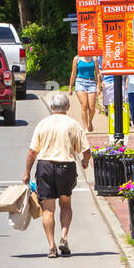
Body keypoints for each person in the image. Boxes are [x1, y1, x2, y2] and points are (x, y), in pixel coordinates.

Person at [22, 91, 92, 259]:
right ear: (68, 107)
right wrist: (85, 162)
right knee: (65, 204)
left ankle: (51, 245)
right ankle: (64, 237)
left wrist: (26, 173)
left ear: (52, 107)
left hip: (45, 166)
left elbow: (32, 152)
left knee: (48, 209)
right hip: (66, 166)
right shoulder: (73, 124)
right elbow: (86, 150)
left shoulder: (43, 124)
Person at [68, 53, 98, 131]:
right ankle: (85, 127)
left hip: (91, 83)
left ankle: (90, 122)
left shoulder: (94, 58)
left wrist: (98, 86)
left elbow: (97, 73)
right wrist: (70, 86)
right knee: (84, 105)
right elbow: (73, 73)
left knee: (92, 108)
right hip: (80, 82)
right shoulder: (77, 58)